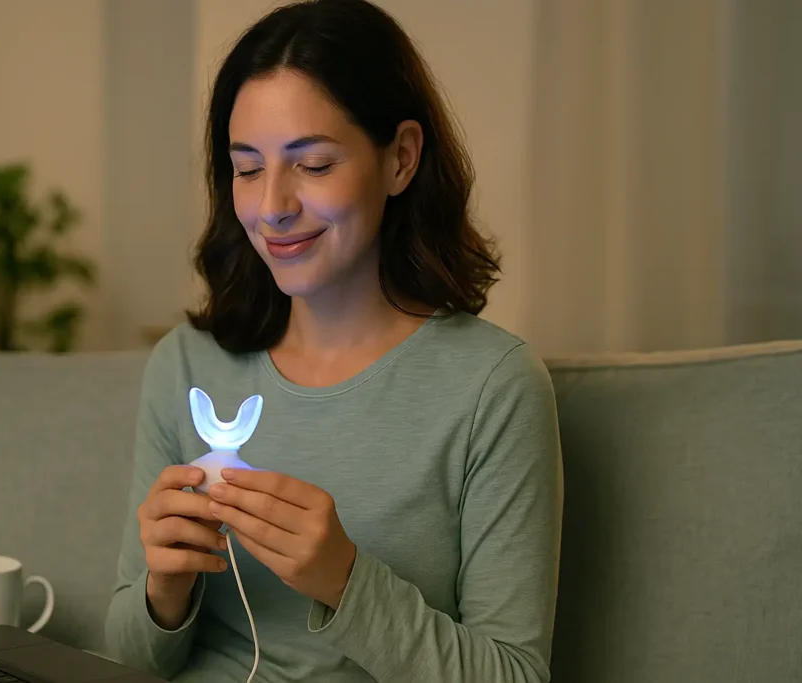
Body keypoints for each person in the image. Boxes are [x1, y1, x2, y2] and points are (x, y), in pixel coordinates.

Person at [103, 0, 563, 681]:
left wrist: (346, 581)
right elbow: (127, 660)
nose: (272, 207)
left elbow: (514, 674)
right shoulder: (187, 364)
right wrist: (164, 591)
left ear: (401, 158)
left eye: (312, 164)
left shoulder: (493, 385)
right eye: (248, 168)